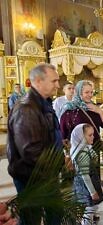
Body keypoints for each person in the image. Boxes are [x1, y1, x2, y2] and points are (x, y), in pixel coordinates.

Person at [7, 63, 62, 225]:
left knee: (54, 215)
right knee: (31, 219)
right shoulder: (26, 109)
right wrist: (57, 164)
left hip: (45, 174)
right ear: (38, 81)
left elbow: (47, 134)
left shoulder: (43, 103)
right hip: (32, 177)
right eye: (54, 81)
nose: (58, 85)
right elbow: (31, 152)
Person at [70, 123, 103, 225]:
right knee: (89, 210)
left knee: (90, 208)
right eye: (90, 135)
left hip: (86, 184)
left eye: (93, 134)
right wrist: (93, 192)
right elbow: (85, 176)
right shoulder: (82, 153)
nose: (93, 137)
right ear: (81, 136)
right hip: (87, 186)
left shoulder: (83, 147)